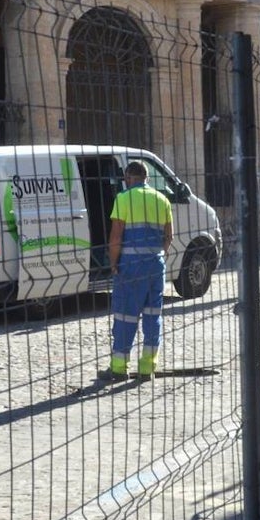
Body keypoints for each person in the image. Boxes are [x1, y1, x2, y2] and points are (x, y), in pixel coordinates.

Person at [99, 161, 173, 382]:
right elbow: (168, 237)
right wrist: (157, 255)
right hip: (156, 265)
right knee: (153, 316)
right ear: (147, 177)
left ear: (128, 177)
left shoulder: (123, 198)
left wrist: (113, 264)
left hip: (131, 265)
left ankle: (119, 369)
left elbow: (116, 236)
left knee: (125, 316)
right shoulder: (163, 200)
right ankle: (147, 368)